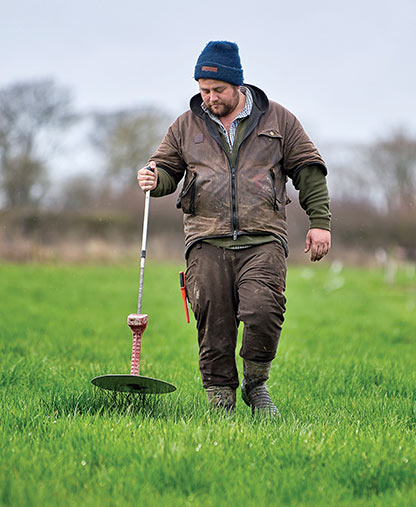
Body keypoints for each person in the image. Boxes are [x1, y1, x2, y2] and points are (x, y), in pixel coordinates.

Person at [136, 40, 331, 416]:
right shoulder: (185, 126)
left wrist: (320, 223)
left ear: (237, 85)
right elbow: (165, 171)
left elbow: (308, 170)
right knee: (213, 320)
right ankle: (219, 398)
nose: (209, 98)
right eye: (203, 91)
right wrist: (152, 176)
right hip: (205, 239)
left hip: (263, 238)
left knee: (263, 311)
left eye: (217, 90)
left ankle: (256, 385)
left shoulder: (278, 120)